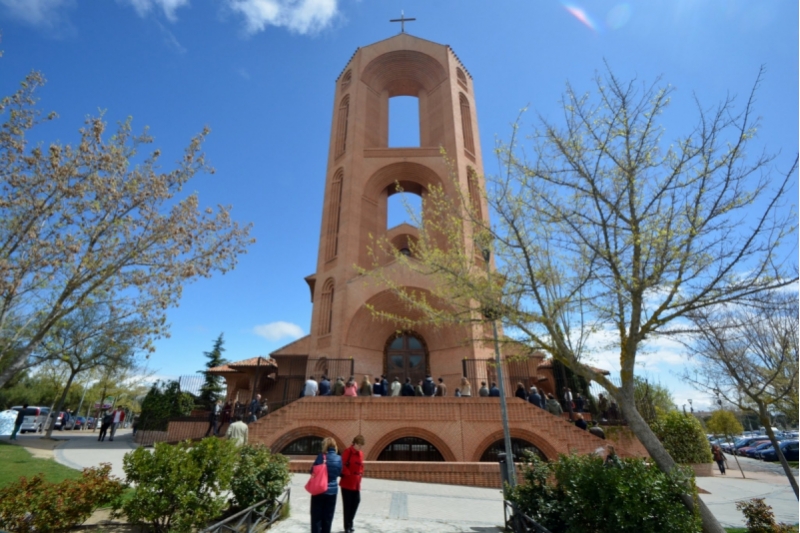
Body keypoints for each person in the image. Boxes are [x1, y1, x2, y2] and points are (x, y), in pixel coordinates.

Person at [310, 437, 342, 533]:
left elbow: (312, 471)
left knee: (316, 518)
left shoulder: (321, 457)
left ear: (325, 446)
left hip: (319, 490)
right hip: (332, 492)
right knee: (328, 518)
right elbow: (340, 472)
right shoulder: (339, 458)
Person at [340, 435, 365, 533]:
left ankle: (350, 522)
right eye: (359, 445)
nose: (360, 447)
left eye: (361, 446)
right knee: (347, 505)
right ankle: (347, 527)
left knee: (356, 502)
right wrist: (348, 474)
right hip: (347, 483)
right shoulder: (348, 452)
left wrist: (360, 475)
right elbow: (342, 464)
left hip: (356, 483)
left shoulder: (361, 453)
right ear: (354, 443)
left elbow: (361, 466)